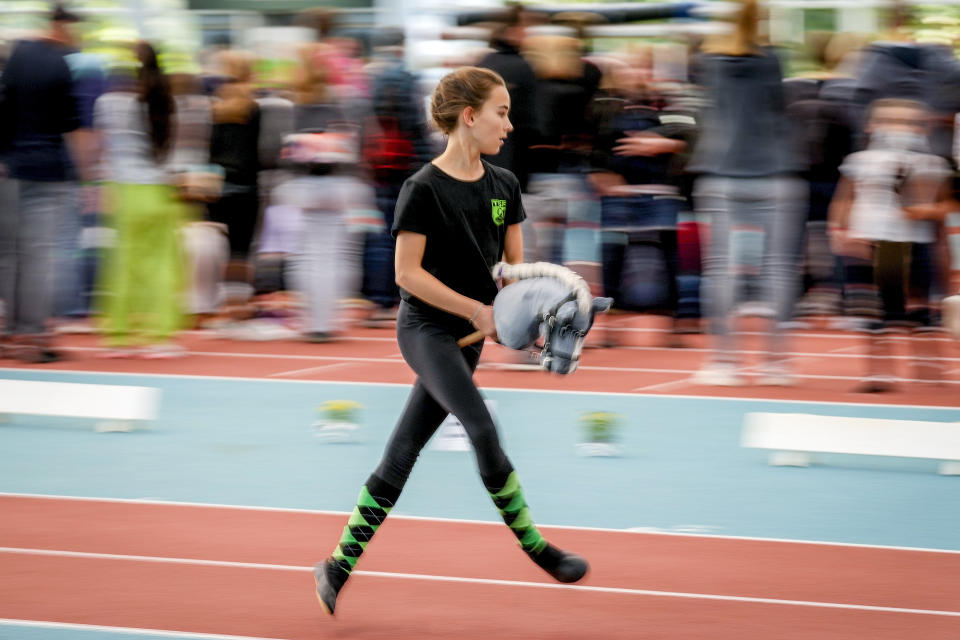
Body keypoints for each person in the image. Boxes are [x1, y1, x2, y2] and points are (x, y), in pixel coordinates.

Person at [313, 66, 588, 616]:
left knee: (402, 452)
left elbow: (513, 273)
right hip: (425, 329)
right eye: (501, 112)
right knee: (481, 425)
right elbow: (406, 275)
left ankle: (337, 564)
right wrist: (476, 310)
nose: (509, 125)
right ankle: (538, 549)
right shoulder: (422, 189)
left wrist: (558, 301)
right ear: (470, 116)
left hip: (471, 334)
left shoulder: (505, 186)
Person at [686, 0, 806, 386]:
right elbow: (779, 109)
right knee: (778, 269)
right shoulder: (773, 60)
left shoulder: (711, 61)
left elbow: (710, 110)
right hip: (775, 171)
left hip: (722, 171)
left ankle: (724, 363)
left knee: (720, 269)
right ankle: (776, 364)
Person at [828, 98, 953, 390]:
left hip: (913, 243)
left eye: (909, 123)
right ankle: (878, 373)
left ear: (922, 129)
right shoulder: (860, 161)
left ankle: (929, 368)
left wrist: (926, 211)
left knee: (918, 311)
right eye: (891, 121)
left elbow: (945, 204)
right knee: (872, 315)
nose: (900, 129)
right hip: (869, 241)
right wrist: (839, 230)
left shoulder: (932, 164)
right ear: (872, 126)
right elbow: (845, 197)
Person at [93, 41, 186, 357]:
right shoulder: (164, 101)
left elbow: (102, 148)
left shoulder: (106, 103)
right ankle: (158, 336)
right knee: (161, 266)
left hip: (122, 191)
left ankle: (118, 336)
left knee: (121, 265)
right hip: (157, 190)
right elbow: (171, 151)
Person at [0, 3, 81, 362]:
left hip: (9, 168)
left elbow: (4, 106)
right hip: (47, 171)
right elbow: (72, 125)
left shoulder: (17, 54)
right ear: (62, 27)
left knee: (7, 255)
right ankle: (31, 337)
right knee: (36, 258)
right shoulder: (60, 64)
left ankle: (7, 331)